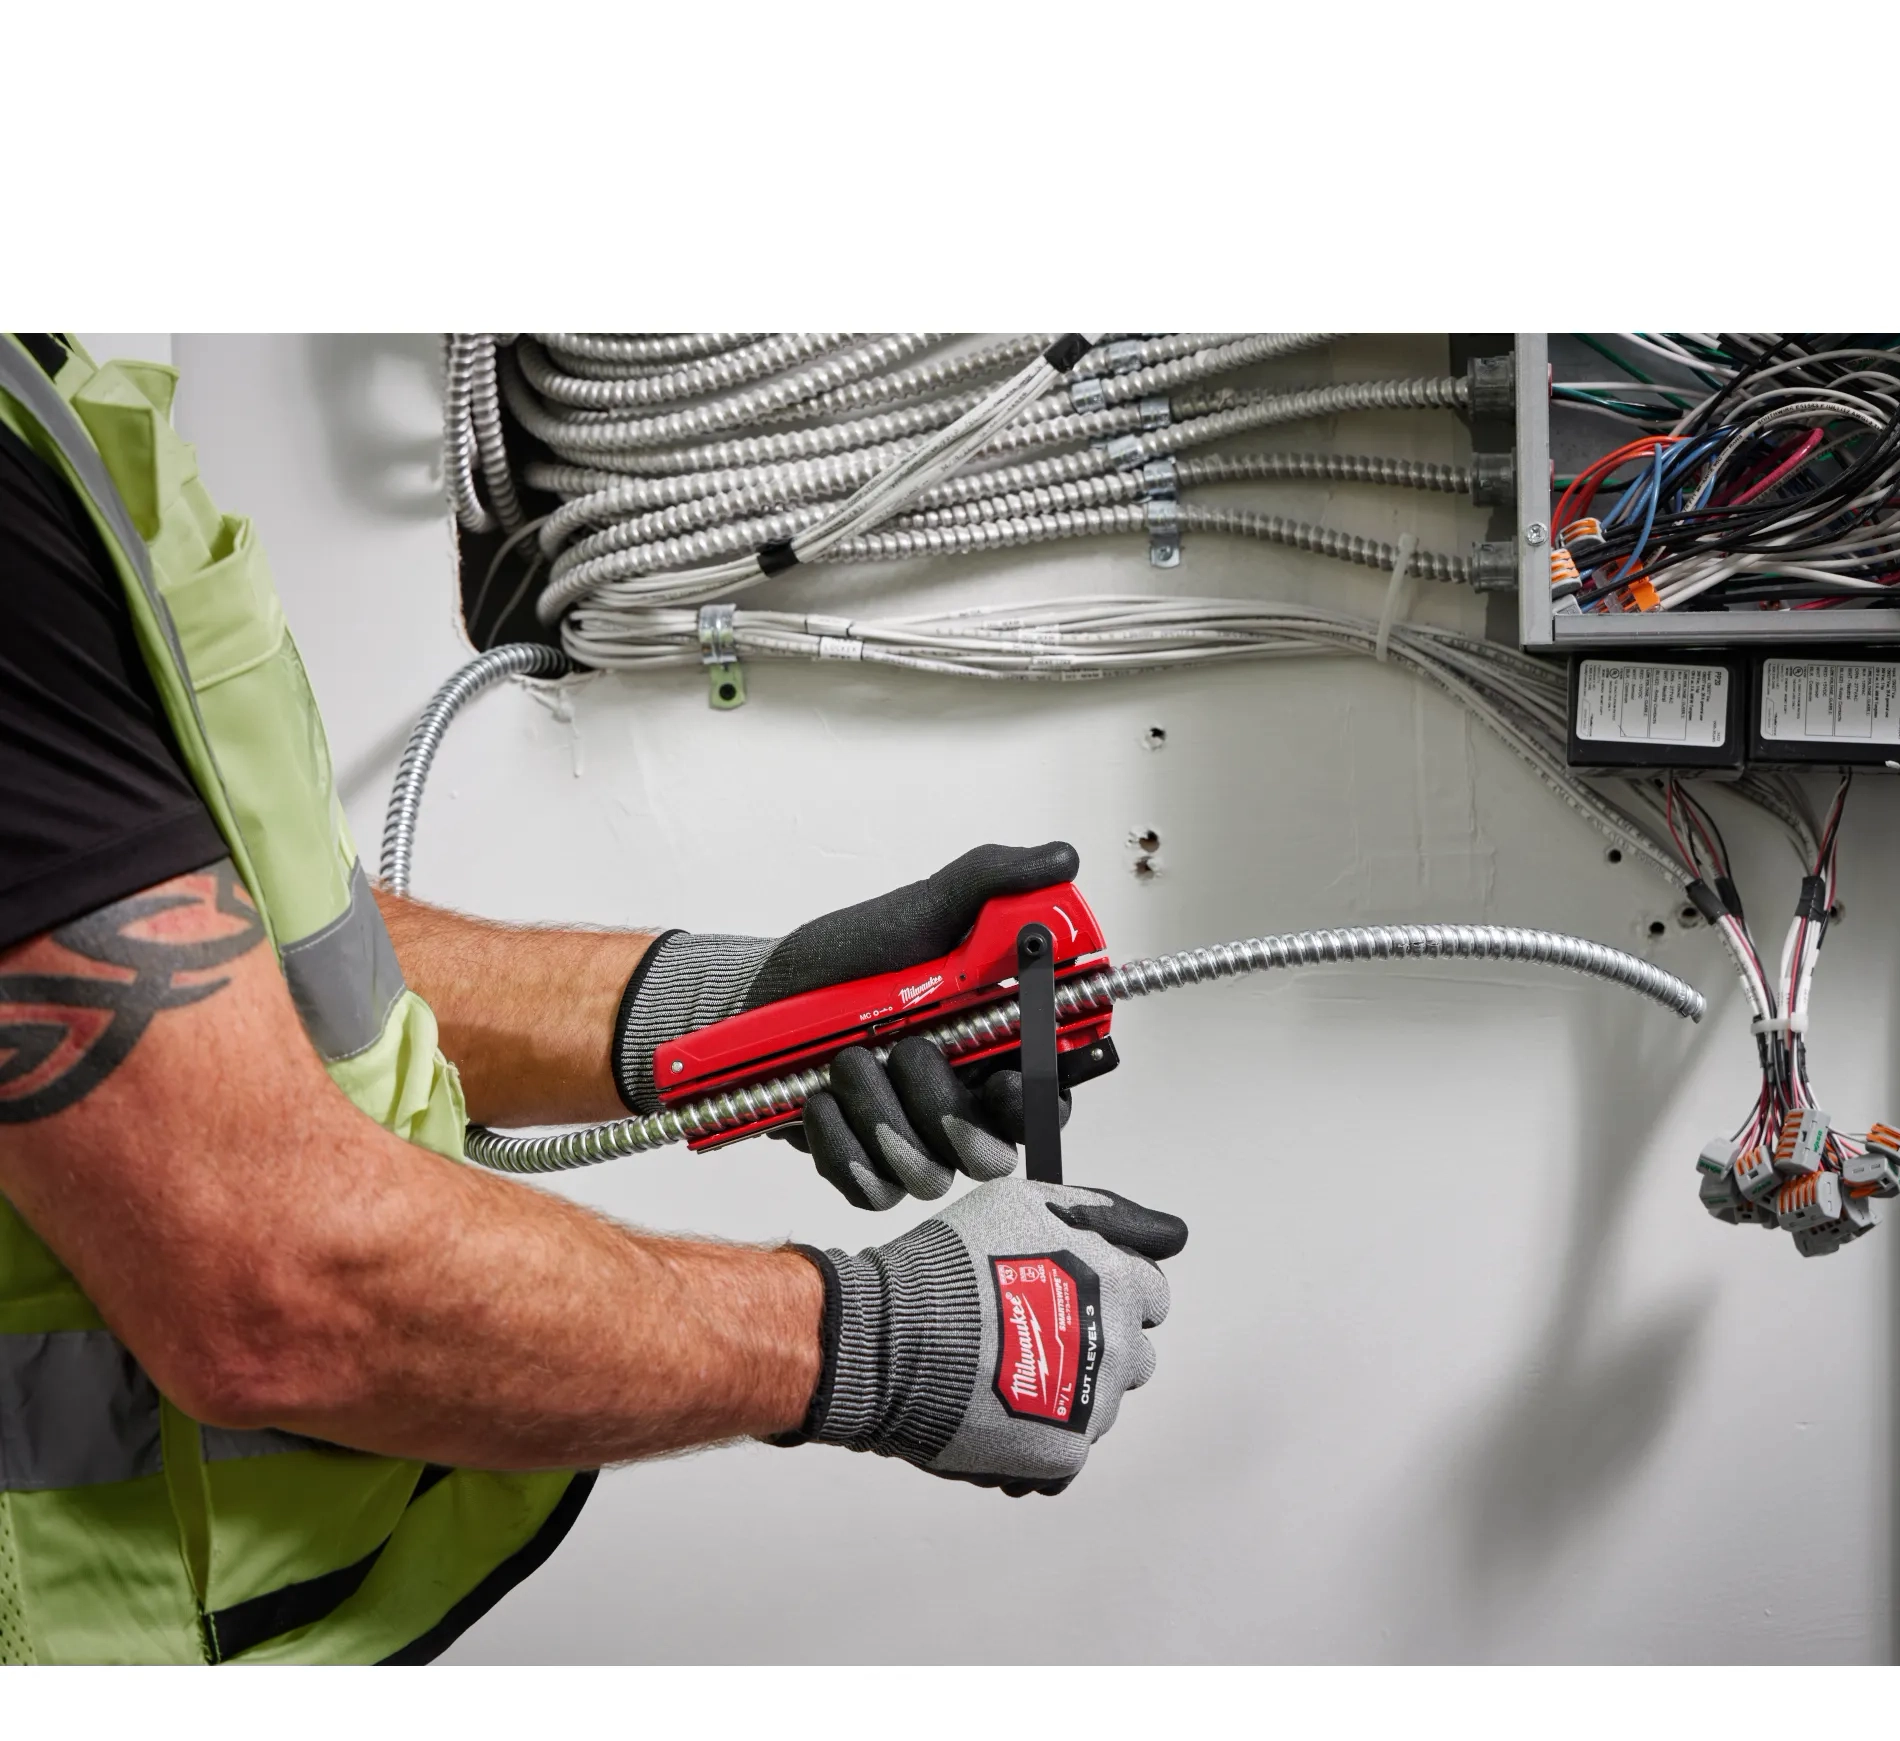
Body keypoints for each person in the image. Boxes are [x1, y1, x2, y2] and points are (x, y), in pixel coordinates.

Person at [0, 333, 1188, 1665]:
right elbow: (276, 1287)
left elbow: (222, 949)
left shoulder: (43, 407)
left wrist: (733, 1009)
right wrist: (875, 1339)